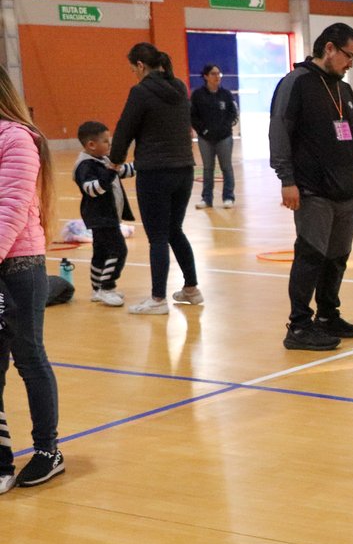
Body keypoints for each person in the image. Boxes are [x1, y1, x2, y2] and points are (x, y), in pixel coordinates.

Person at [269, 22, 353, 350]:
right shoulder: (296, 83)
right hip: (313, 190)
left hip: (346, 190)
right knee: (310, 255)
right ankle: (299, 326)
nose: (351, 63)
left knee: (337, 257)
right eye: (348, 55)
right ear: (329, 48)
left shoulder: (343, 90)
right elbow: (279, 131)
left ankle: (327, 315)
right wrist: (286, 180)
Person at [0, 66, 64, 491]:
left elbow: (11, 206)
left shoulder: (17, 138)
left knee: (28, 357)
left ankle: (47, 451)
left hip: (19, 266)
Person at [110, 42, 203, 315]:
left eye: (133, 69)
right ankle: (191, 289)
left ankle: (158, 299)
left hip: (155, 172)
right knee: (174, 230)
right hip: (184, 169)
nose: (134, 75)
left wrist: (115, 160)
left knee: (158, 236)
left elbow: (125, 128)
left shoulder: (141, 92)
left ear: (141, 65)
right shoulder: (179, 87)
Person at [73, 121, 135, 306]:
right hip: (100, 217)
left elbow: (122, 170)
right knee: (118, 250)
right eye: (106, 141)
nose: (110, 145)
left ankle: (97, 289)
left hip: (108, 217)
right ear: (91, 145)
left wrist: (143, 163)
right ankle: (107, 287)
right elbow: (93, 189)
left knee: (100, 252)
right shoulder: (85, 166)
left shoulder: (103, 160)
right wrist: (110, 172)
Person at [190, 64, 239, 208]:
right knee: (208, 168)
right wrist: (203, 131)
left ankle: (228, 197)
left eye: (218, 73)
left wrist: (225, 127)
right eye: (213, 74)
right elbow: (193, 116)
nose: (217, 76)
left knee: (226, 167)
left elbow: (233, 113)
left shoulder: (226, 95)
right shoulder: (198, 95)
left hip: (224, 137)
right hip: (205, 138)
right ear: (206, 76)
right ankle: (206, 199)